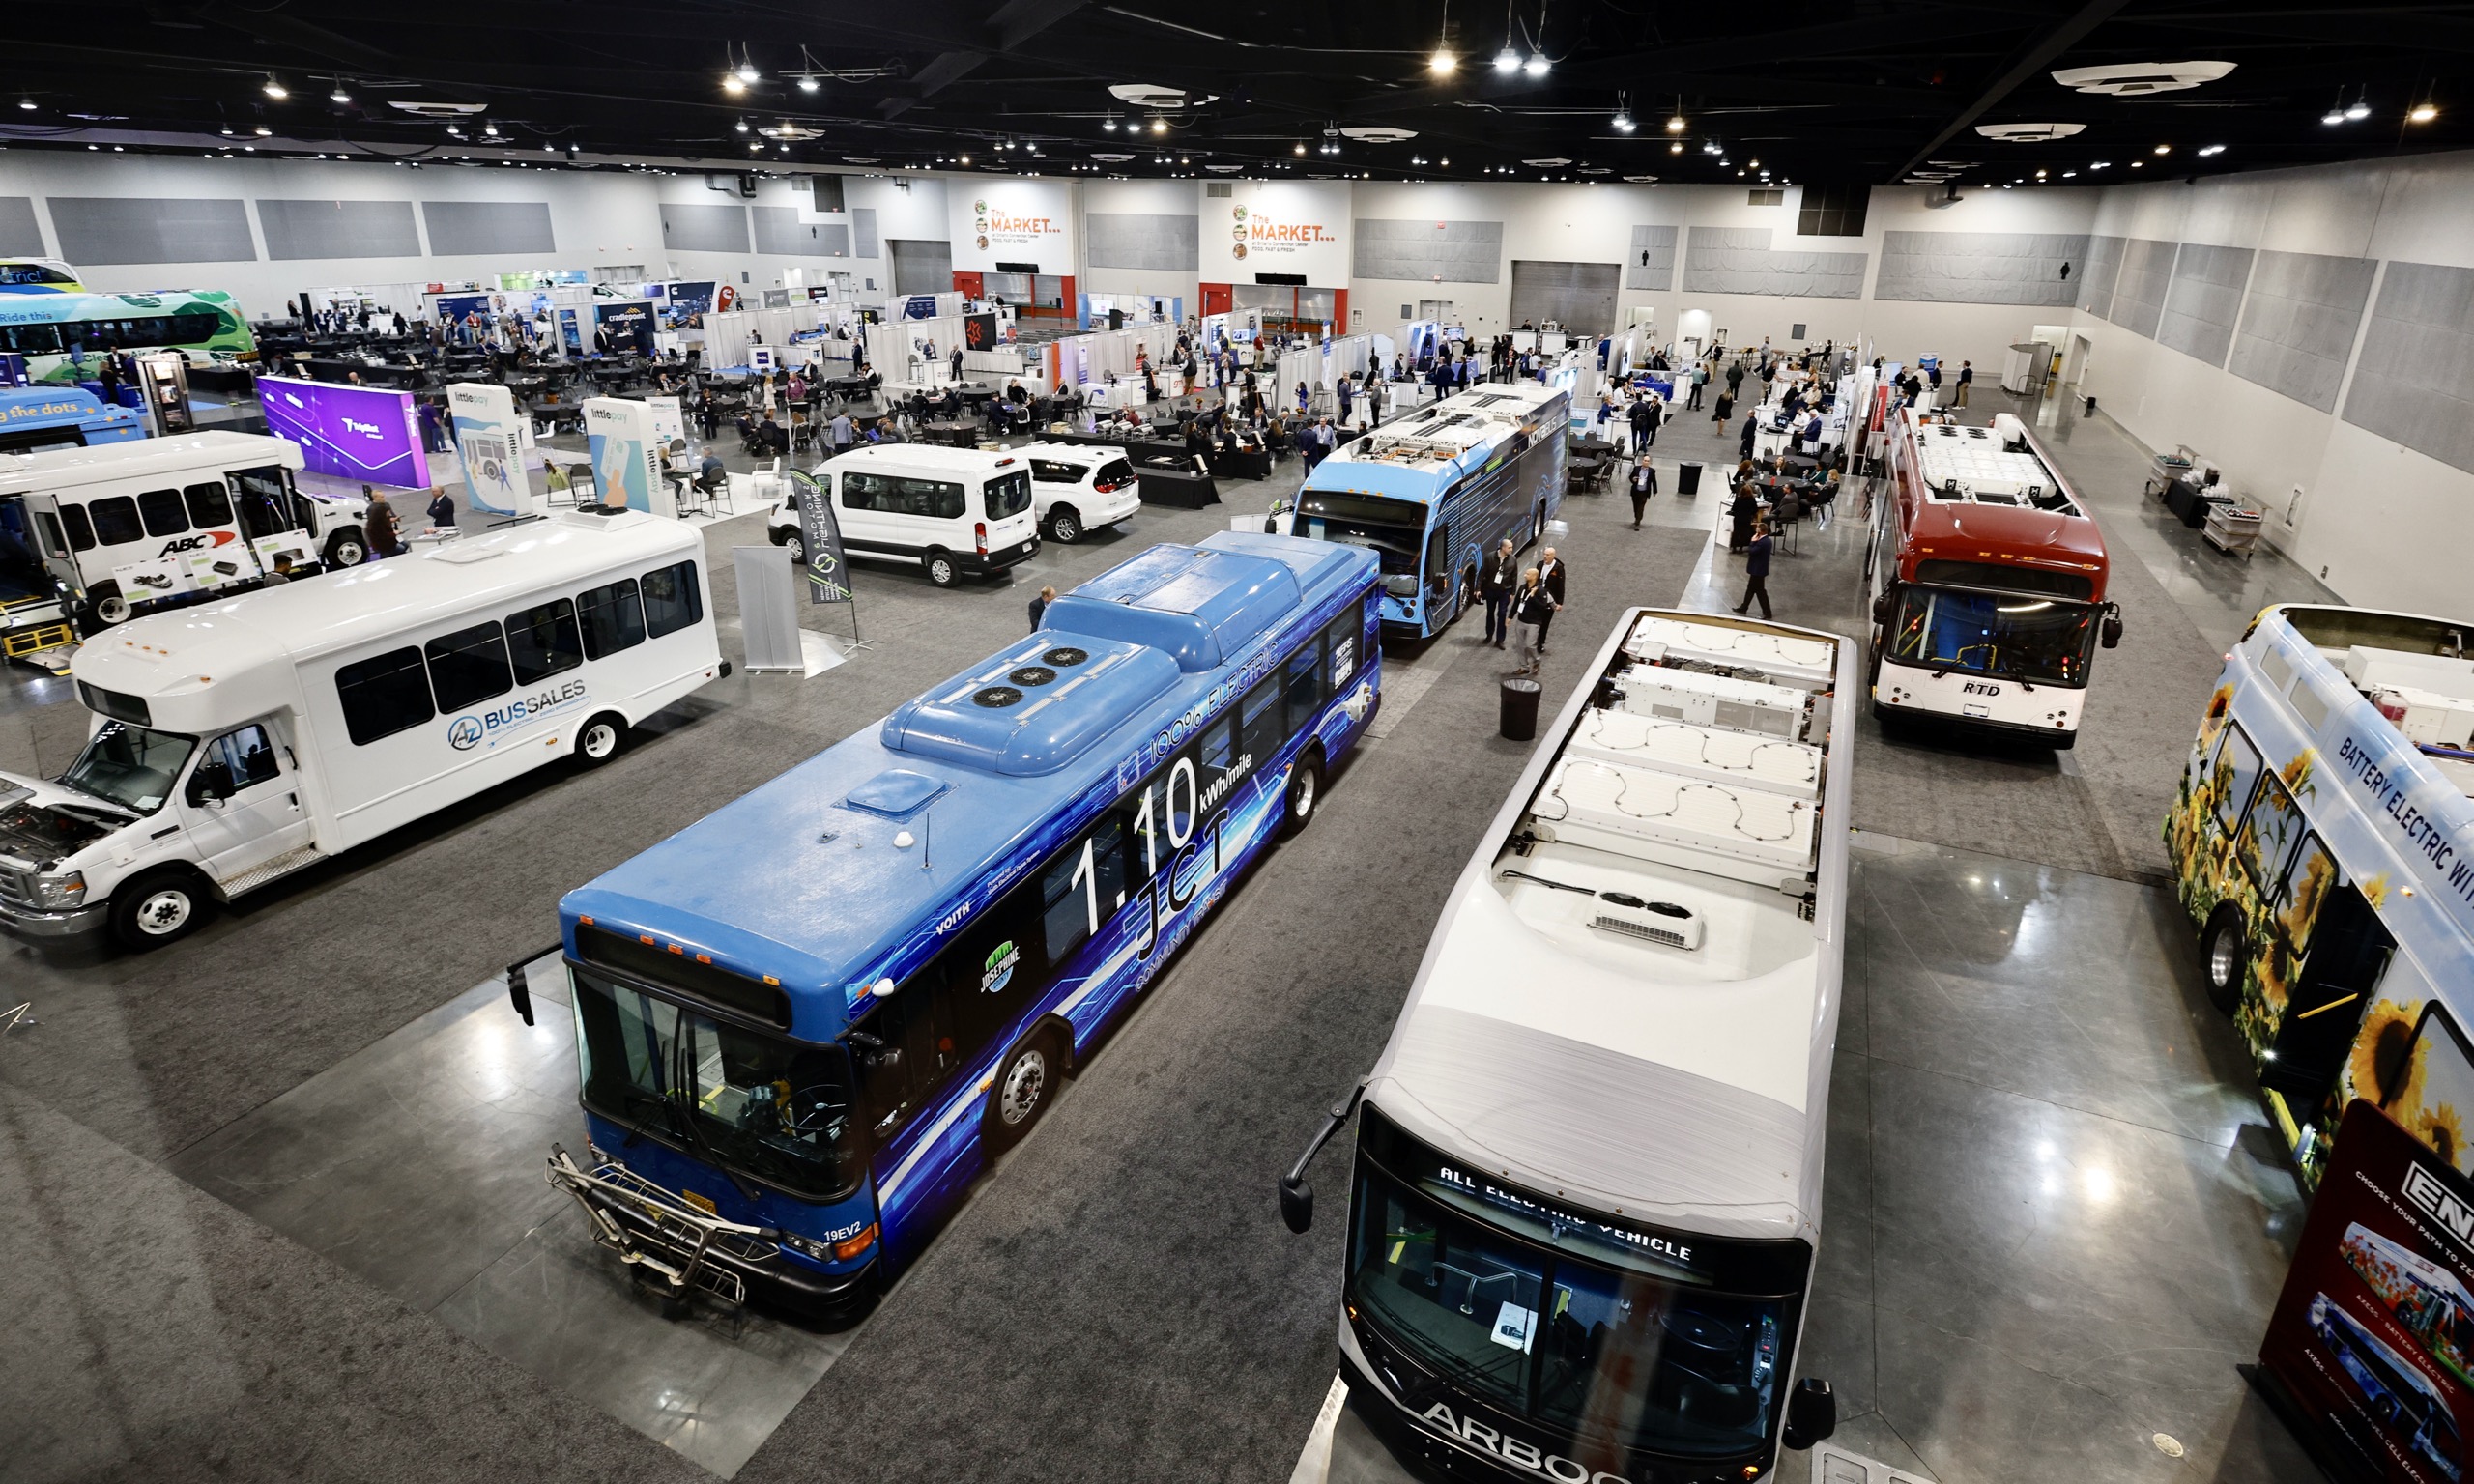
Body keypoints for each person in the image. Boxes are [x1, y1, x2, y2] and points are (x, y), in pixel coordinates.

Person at [1479, 537, 1517, 649]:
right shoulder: (1490, 557)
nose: (1511, 549)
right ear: (1503, 547)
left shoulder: (1513, 559)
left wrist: (1512, 592)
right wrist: (1477, 589)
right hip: (1491, 590)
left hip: (1505, 591)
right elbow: (1482, 573)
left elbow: (1514, 577)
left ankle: (1500, 640)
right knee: (1490, 613)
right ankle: (1489, 635)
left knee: (1502, 613)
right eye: (1509, 547)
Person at [1510, 567, 1549, 677]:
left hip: (1534, 622)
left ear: (1533, 577)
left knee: (1529, 645)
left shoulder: (1541, 591)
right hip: (1521, 620)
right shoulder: (1523, 588)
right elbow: (1517, 602)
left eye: (1527, 574)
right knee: (1520, 645)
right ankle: (1524, 667)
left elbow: (1543, 607)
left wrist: (1532, 597)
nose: (1525, 575)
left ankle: (1536, 660)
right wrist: (1510, 617)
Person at [1735, 519, 1774, 618]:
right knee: (1751, 589)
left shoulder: (1762, 543)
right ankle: (1744, 607)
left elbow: (1752, 551)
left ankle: (1767, 613)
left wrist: (1752, 542)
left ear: (1760, 531)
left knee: (1760, 592)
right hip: (1759, 570)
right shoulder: (1767, 541)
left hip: (1758, 571)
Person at [1534, 547, 1566, 655]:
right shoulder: (1539, 565)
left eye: (1548, 555)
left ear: (1553, 555)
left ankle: (1540, 642)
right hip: (1538, 598)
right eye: (1544, 554)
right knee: (1535, 621)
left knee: (1545, 623)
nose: (1545, 557)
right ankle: (1533, 640)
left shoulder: (1558, 569)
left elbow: (1561, 586)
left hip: (1549, 600)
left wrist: (1559, 602)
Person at [364, 490, 402, 558]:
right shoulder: (372, 510)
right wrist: (395, 533)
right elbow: (380, 531)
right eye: (382, 497)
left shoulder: (386, 505)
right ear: (375, 497)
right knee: (401, 549)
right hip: (383, 540)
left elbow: (389, 517)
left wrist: (394, 519)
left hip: (389, 533)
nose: (384, 498)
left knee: (404, 545)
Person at [1627, 454, 1657, 529]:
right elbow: (1631, 477)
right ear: (1642, 461)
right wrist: (1633, 479)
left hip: (1644, 492)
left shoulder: (1652, 471)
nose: (1646, 462)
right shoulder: (1636, 468)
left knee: (1641, 507)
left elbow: (1654, 481)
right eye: (1645, 460)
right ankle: (1637, 517)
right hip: (1636, 491)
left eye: (1647, 461)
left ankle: (1638, 520)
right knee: (1635, 506)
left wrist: (1655, 491)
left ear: (1649, 462)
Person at [1728, 486, 1758, 553]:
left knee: (1736, 532)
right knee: (1744, 533)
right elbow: (1755, 509)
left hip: (1738, 518)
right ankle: (1741, 548)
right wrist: (1751, 513)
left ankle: (1734, 548)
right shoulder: (1752, 499)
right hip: (1747, 518)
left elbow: (1733, 508)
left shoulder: (1738, 499)